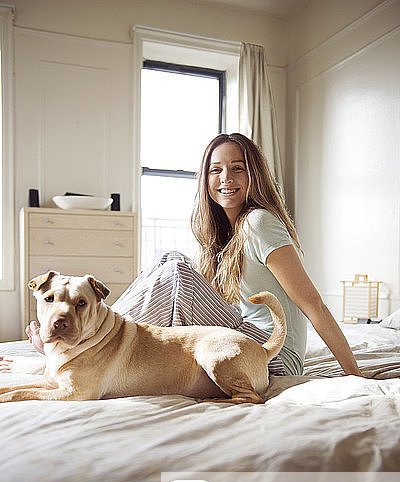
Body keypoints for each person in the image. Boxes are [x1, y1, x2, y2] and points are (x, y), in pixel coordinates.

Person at [13, 133, 361, 378]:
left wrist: (355, 375)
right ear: (205, 178)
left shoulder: (259, 222)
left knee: (176, 268)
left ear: (253, 174)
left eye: (238, 168)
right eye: (216, 169)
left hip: (272, 353)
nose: (226, 178)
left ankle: (89, 338)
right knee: (172, 262)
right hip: (239, 342)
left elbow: (313, 303)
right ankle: (92, 339)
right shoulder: (223, 234)